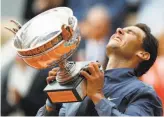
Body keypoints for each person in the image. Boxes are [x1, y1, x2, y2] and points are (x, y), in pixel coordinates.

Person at [36, 23, 163, 116]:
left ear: (143, 54)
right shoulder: (81, 82)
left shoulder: (143, 93)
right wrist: (52, 103)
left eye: (130, 32)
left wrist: (97, 96)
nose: (119, 30)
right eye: (121, 29)